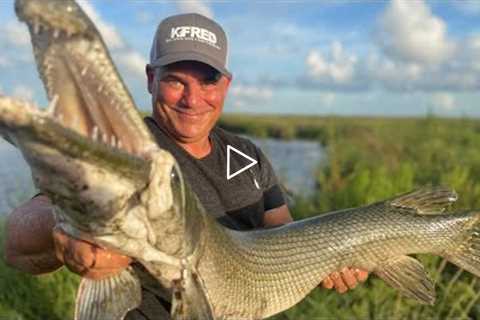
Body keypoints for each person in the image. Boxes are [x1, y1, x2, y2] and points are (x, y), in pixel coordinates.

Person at [4, 12, 368, 318]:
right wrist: (68, 231)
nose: (192, 100)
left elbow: (283, 231)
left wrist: (332, 256)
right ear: (151, 80)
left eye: (207, 81)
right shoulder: (127, 151)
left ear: (225, 85)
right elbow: (18, 243)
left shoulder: (248, 154)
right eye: (176, 81)